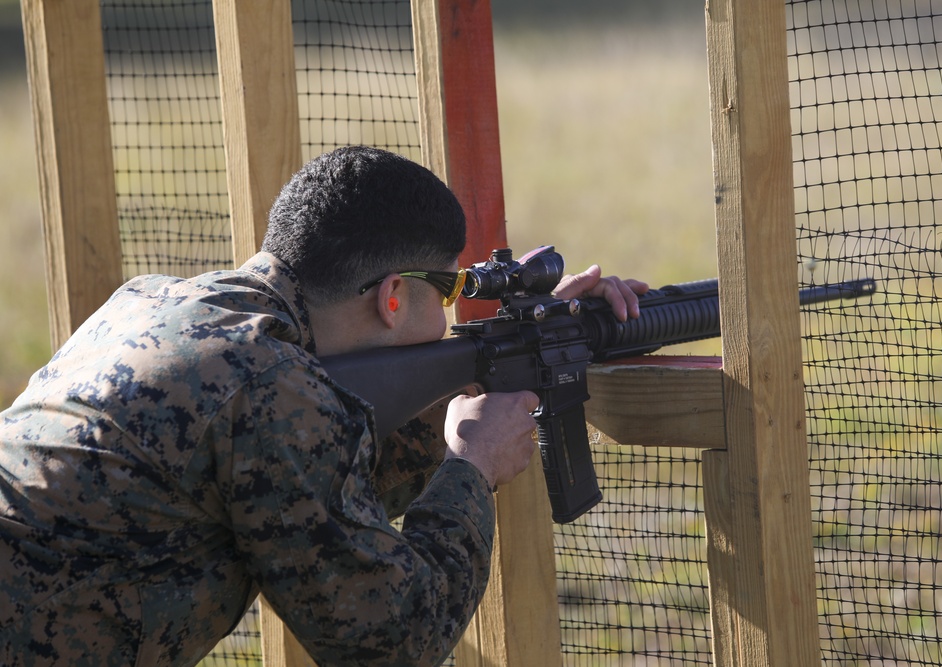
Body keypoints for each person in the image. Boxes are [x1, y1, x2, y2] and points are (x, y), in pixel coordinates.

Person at [0, 146, 648, 666]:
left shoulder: (153, 301)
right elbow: (390, 639)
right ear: (394, 296)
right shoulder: (273, 385)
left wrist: (516, 348)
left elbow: (315, 490)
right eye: (449, 291)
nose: (452, 314)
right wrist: (470, 472)